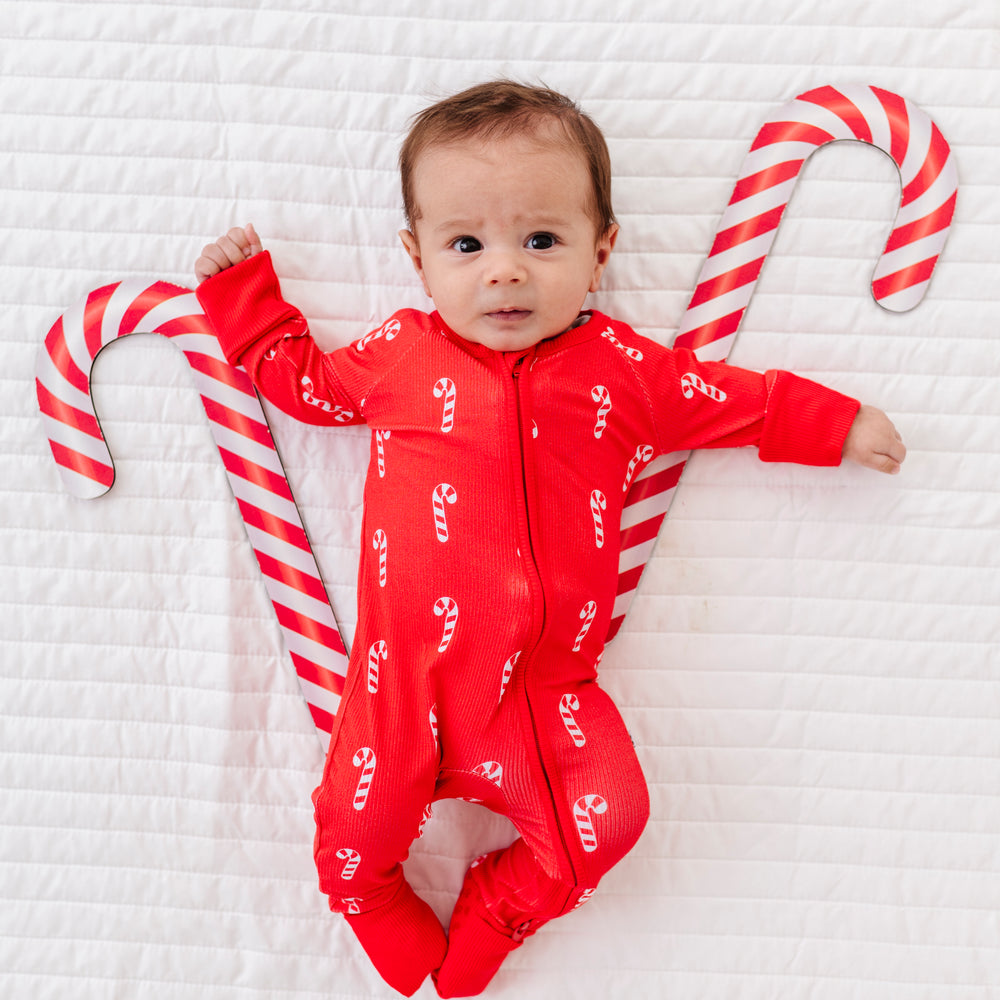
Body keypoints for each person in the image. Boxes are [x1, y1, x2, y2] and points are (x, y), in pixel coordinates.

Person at [193, 81, 905, 998]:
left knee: (608, 822)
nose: (505, 271)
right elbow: (303, 386)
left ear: (600, 249)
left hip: (540, 693)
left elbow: (728, 401)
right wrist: (242, 296)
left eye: (541, 240)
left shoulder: (620, 369)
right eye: (466, 245)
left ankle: (500, 906)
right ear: (417, 260)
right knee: (351, 829)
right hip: (400, 678)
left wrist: (834, 425)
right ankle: (367, 896)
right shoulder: (403, 355)